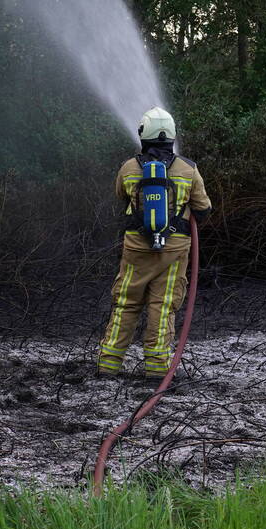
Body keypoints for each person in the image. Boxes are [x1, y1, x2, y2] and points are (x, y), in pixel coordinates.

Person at [98, 107, 211, 378]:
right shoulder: (189, 169)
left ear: (142, 135)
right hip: (174, 250)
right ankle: (157, 369)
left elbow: (121, 196)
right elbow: (204, 209)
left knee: (126, 301)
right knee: (162, 305)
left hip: (136, 247)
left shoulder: (128, 168)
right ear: (172, 136)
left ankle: (108, 364)